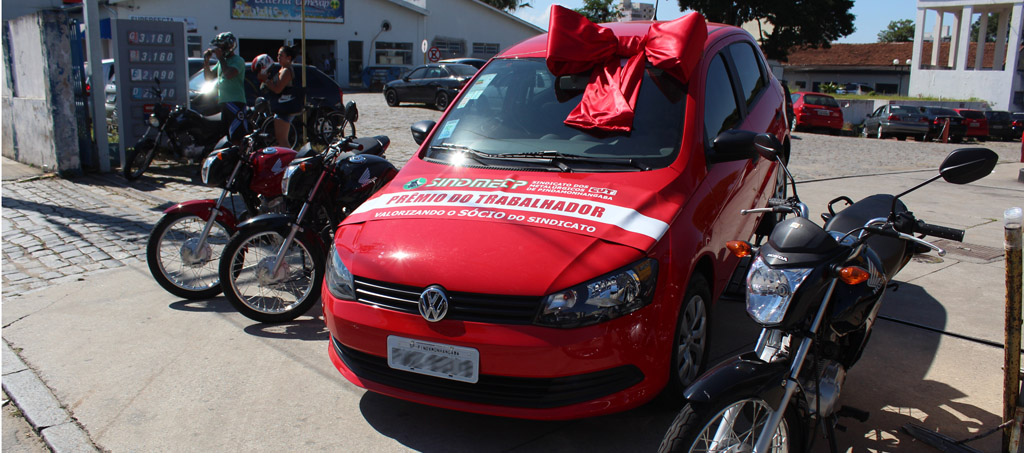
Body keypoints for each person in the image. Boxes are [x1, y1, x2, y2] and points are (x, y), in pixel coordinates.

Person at [203, 32, 247, 144]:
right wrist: (206, 62)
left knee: (237, 136)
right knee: (225, 136)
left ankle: (240, 154)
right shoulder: (221, 62)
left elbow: (228, 74)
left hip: (235, 103)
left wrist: (221, 58)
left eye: (220, 47)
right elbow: (208, 77)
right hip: (224, 103)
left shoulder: (238, 60)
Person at [258, 45, 302, 148]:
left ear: (288, 58)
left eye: (281, 55)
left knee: (282, 140)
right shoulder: (282, 69)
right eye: (278, 55)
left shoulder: (287, 71)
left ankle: (289, 157)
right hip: (281, 107)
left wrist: (266, 80)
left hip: (284, 107)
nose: (278, 58)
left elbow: (278, 89)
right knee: (280, 139)